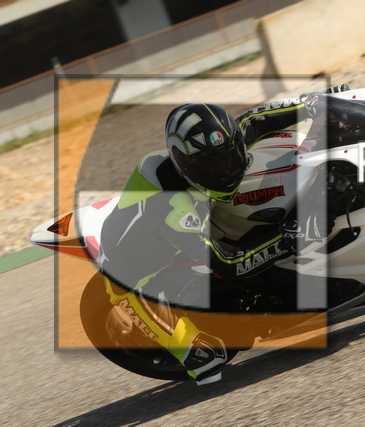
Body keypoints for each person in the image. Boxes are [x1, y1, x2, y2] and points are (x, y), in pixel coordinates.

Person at [97, 85, 349, 385]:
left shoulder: (201, 151)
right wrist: (289, 236)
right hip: (130, 275)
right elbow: (230, 263)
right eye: (212, 165)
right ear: (185, 163)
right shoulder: (173, 211)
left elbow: (252, 122)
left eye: (230, 156)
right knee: (205, 361)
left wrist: (312, 104)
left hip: (179, 222)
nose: (227, 169)